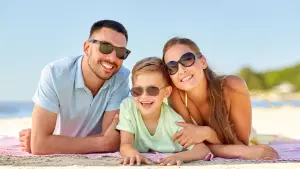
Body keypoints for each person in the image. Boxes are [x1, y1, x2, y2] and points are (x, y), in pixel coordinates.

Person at [18, 20, 131, 155]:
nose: (112, 58)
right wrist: (102, 142)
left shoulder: (121, 77)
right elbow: (40, 146)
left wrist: (52, 142)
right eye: (105, 47)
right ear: (87, 48)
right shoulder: (55, 74)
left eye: (121, 52)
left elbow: (113, 140)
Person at [162, 37, 279, 160]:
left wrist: (208, 134)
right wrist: (209, 135)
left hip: (240, 136)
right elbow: (193, 146)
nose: (181, 70)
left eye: (187, 59)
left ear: (203, 62)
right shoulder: (176, 94)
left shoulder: (233, 86)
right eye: (172, 67)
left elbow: (241, 144)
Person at [116, 57, 213, 166]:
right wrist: (132, 154)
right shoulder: (128, 106)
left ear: (167, 92)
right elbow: (125, 144)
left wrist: (179, 157)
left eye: (152, 90)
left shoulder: (173, 120)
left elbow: (202, 149)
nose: (144, 96)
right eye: (137, 90)